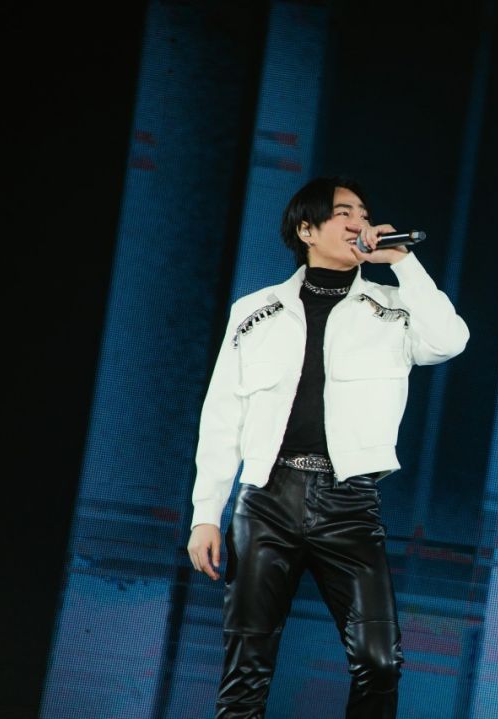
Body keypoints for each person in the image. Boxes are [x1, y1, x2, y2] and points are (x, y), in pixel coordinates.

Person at [186, 175, 469, 718]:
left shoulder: (392, 307)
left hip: (349, 503)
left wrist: (403, 262)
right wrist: (205, 514)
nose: (358, 221)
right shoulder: (255, 310)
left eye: (363, 212)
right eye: (343, 213)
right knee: (246, 671)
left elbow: (450, 340)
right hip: (266, 499)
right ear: (307, 230)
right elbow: (222, 416)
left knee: (380, 661)